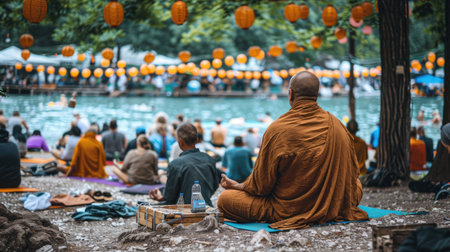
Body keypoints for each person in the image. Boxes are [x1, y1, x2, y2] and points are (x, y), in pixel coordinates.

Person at [217, 71, 368, 230]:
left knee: (225, 199)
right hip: (332, 204)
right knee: (357, 186)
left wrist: (238, 186)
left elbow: (261, 186)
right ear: (316, 94)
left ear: (290, 94)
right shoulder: (338, 126)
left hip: (287, 209)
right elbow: (352, 174)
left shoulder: (278, 129)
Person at [149, 123, 220, 206]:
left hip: (183, 210)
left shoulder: (175, 164)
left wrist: (161, 197)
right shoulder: (210, 160)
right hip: (206, 206)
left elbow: (170, 198)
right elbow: (215, 185)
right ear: (197, 139)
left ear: (180, 141)